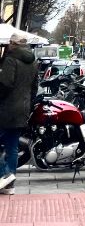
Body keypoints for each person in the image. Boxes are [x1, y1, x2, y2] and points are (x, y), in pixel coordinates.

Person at [0, 32, 38, 193]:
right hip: (23, 109)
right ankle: (9, 185)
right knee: (12, 146)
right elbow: (34, 87)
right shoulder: (33, 61)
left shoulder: (10, 59)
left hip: (6, 108)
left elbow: (5, 85)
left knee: (8, 144)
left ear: (13, 44)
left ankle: (5, 175)